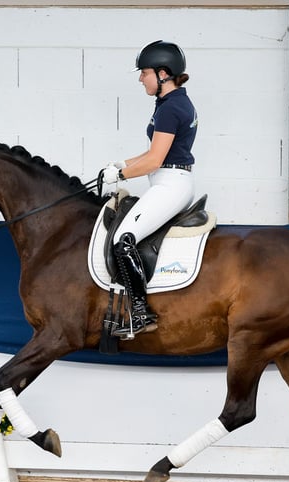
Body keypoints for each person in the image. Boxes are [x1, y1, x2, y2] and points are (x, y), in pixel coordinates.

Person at [101, 40, 199, 340]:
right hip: (167, 180)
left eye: (144, 72)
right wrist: (119, 163)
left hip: (170, 183)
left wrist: (120, 173)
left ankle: (141, 313)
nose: (140, 79)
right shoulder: (171, 104)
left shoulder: (172, 109)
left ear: (163, 74)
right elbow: (153, 154)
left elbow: (155, 160)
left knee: (123, 239)